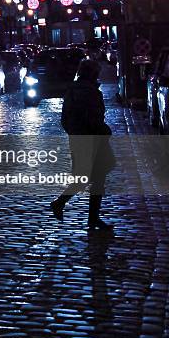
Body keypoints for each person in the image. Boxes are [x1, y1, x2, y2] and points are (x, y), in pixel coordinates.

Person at [50, 58, 116, 231]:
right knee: (92, 178)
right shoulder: (91, 92)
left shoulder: (72, 90)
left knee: (87, 177)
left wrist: (74, 133)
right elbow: (94, 119)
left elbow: (65, 119)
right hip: (93, 140)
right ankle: (63, 204)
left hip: (79, 139)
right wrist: (103, 130)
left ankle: (88, 216)